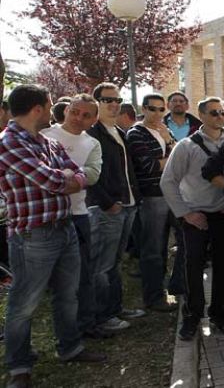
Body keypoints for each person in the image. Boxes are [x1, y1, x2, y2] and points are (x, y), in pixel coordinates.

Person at [0, 85, 107, 387]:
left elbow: (78, 174)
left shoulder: (46, 142)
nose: (53, 111)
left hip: (65, 227)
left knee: (67, 295)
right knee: (24, 303)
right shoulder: (8, 143)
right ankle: (19, 366)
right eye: (49, 106)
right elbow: (53, 179)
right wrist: (68, 179)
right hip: (33, 236)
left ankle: (70, 347)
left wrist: (68, 179)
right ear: (37, 108)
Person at [161, 97, 224, 341]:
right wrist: (186, 214)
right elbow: (168, 181)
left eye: (222, 112)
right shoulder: (186, 146)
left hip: (223, 216)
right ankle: (192, 316)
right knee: (192, 268)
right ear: (201, 116)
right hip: (195, 217)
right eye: (214, 112)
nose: (219, 117)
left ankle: (218, 314)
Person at [41, 95, 107, 340]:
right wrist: (70, 178)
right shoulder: (46, 135)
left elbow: (92, 175)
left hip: (78, 214)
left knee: (83, 274)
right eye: (75, 112)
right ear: (66, 110)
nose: (79, 118)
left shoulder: (92, 143)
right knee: (54, 283)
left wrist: (58, 178)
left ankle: (86, 323)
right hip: (45, 217)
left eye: (86, 115)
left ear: (94, 119)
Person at [87, 82, 145, 333]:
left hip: (127, 206)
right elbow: (90, 176)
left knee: (115, 262)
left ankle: (114, 308)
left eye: (117, 100)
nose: (113, 104)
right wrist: (107, 202)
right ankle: (101, 317)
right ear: (96, 102)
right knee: (102, 266)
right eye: (107, 99)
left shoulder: (118, 131)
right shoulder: (91, 133)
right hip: (107, 209)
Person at [126, 93, 179, 313]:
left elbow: (179, 156)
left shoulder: (165, 130)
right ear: (144, 109)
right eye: (152, 108)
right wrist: (171, 154)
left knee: (179, 246)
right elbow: (148, 166)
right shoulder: (136, 133)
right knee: (153, 249)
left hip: (173, 195)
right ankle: (154, 296)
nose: (157, 113)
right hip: (152, 196)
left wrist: (168, 142)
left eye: (161, 109)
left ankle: (174, 288)